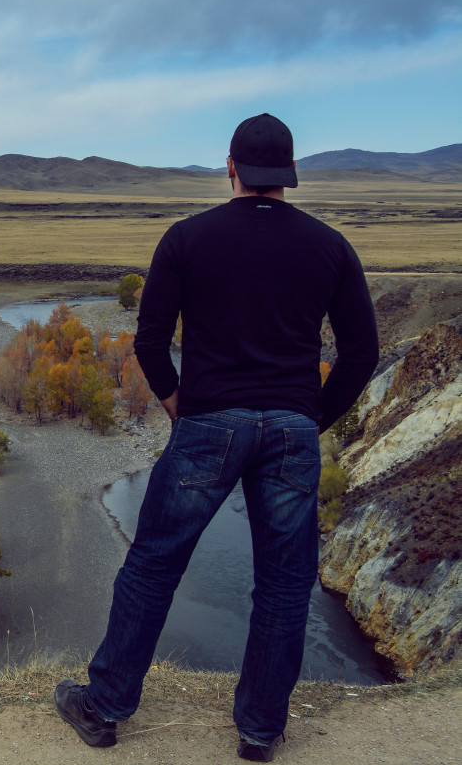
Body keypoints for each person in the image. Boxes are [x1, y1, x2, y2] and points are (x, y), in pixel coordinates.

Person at [54, 113, 379, 761]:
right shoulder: (330, 246)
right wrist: (309, 417)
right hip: (291, 428)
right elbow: (361, 353)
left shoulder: (186, 239)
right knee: (285, 585)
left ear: (230, 168)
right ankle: (260, 730)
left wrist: (180, 405)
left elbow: (149, 340)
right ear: (289, 176)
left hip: (208, 424)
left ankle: (105, 707)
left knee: (151, 568)